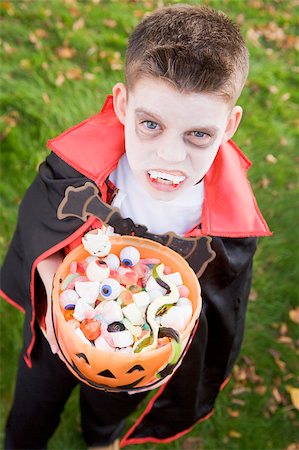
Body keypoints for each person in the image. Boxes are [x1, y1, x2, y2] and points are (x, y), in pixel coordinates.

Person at [0, 4, 271, 450]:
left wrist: (158, 347)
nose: (169, 157)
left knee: (109, 406)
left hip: (138, 350)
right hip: (62, 319)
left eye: (198, 135)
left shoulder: (228, 223)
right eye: (150, 125)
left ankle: (100, 436)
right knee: (34, 403)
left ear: (229, 126)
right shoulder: (80, 168)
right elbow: (39, 222)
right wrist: (54, 292)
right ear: (123, 105)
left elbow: (219, 303)